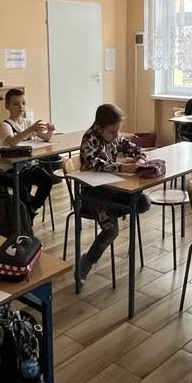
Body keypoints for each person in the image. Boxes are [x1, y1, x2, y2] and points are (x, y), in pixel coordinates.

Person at [77, 103, 151, 279]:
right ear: (99, 127)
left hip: (112, 190)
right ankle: (87, 260)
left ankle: (111, 212)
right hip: (93, 194)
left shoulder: (114, 136)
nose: (117, 135)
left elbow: (135, 148)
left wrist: (140, 159)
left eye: (118, 131)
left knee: (143, 202)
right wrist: (121, 167)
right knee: (111, 231)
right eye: (112, 132)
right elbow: (94, 163)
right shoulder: (89, 139)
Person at [0, 88, 57, 216]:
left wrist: (50, 131)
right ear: (7, 106)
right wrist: (30, 130)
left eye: (23, 103)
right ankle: (25, 215)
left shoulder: (27, 122)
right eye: (16, 104)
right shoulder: (5, 124)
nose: (20, 107)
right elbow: (12, 142)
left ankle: (31, 209)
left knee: (47, 179)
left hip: (27, 166)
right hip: (9, 169)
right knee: (24, 185)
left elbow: (45, 138)